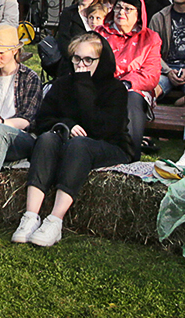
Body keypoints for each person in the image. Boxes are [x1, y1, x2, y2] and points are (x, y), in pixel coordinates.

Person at [12, 32, 131, 248]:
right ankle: (30, 215)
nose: (81, 65)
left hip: (109, 144)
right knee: (47, 139)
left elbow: (102, 129)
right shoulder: (62, 84)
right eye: (77, 58)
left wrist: (83, 85)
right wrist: (67, 124)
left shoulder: (115, 89)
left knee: (79, 145)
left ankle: (55, 220)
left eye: (88, 60)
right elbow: (42, 120)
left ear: (100, 61)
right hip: (68, 140)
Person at [0, 23, 42, 191]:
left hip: (20, 138)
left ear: (14, 51)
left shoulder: (29, 78)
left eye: (1, 53)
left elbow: (27, 120)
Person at [97, 0, 162, 153]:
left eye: (128, 9)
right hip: (102, 85)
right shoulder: (100, 34)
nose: (121, 12)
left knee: (131, 98)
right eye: (118, 7)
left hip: (134, 88)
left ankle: (131, 153)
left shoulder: (150, 38)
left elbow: (151, 73)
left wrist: (126, 84)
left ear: (138, 14)